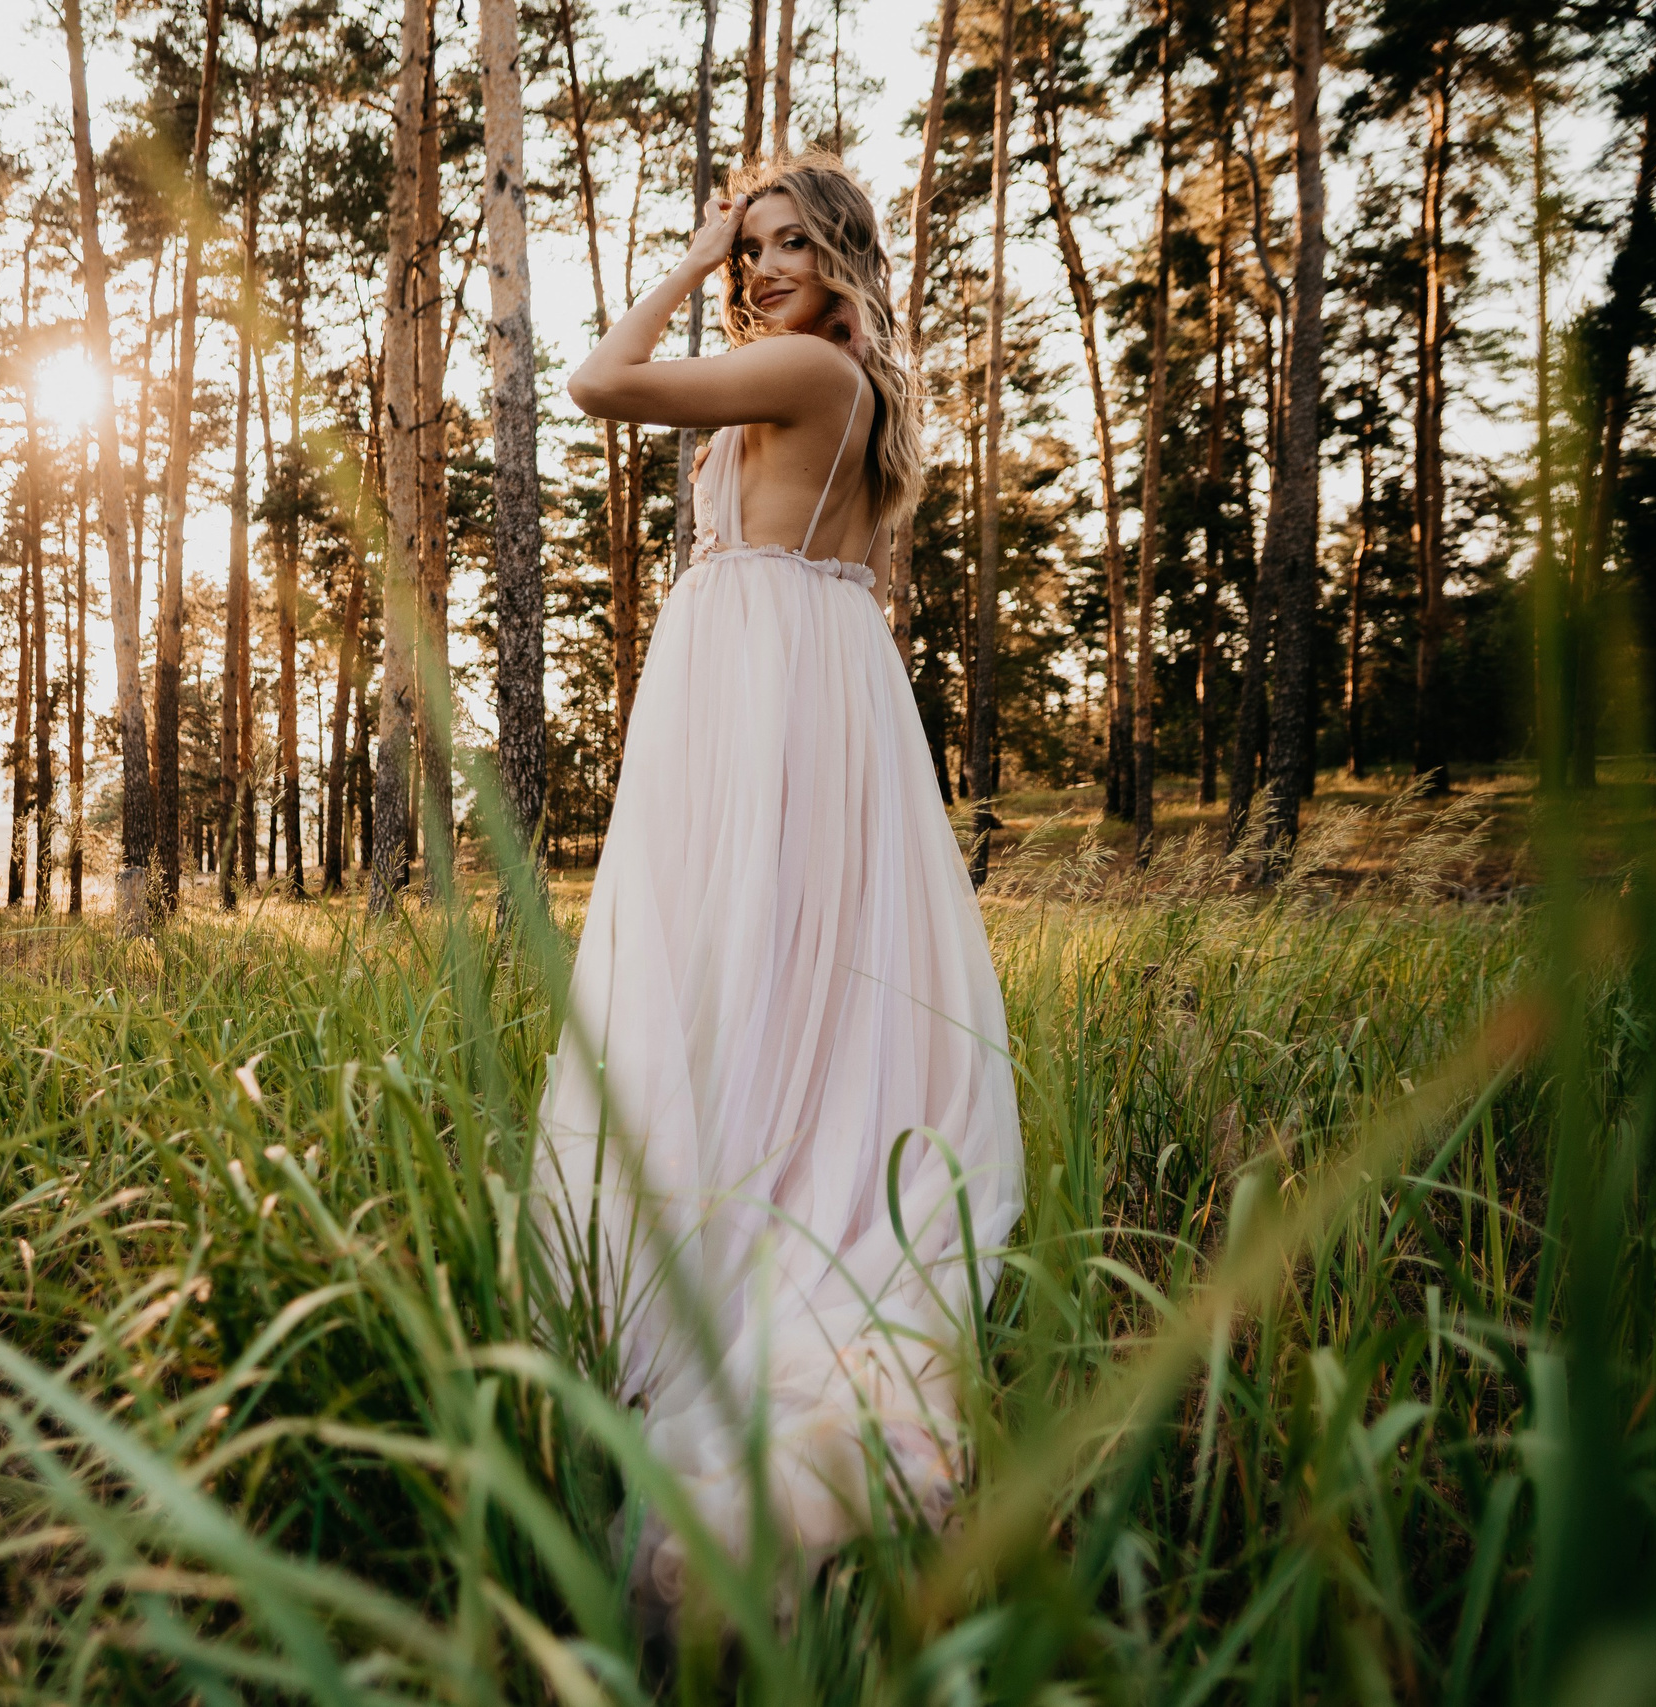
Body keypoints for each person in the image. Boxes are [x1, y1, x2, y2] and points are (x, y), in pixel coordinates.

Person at [538, 155, 1024, 1614]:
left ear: (844, 260)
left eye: (787, 244)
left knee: (746, 950)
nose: (758, 269)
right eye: (747, 247)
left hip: (764, 686)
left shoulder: (808, 368)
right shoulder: (827, 373)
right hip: (784, 675)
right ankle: (751, 1168)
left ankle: (747, 1235)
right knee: (765, 953)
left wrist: (681, 259)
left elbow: (598, 384)